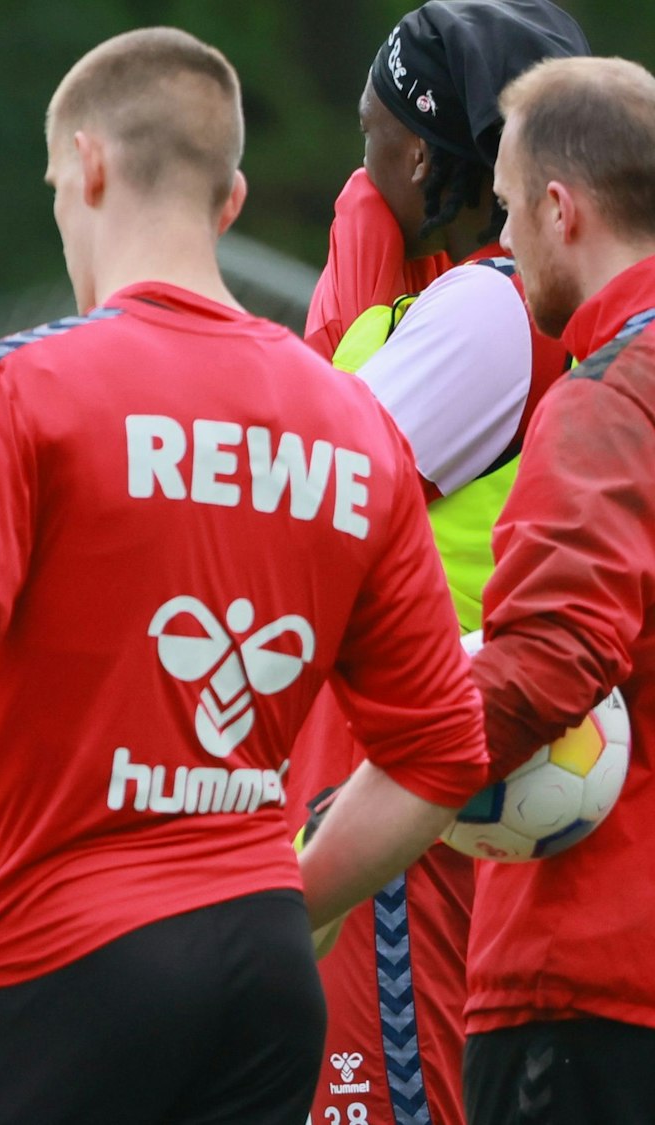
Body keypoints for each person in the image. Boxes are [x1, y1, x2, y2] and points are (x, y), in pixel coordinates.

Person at [0, 28, 489, 1125]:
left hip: (60, 958)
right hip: (261, 983)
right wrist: (280, 902)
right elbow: (439, 755)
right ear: (232, 198)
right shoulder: (349, 421)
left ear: (87, 165)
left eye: (57, 184)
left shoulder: (19, 388)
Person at [284, 6, 587, 1123]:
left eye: (370, 136)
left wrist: (347, 290)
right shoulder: (509, 305)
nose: (359, 164)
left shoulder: (483, 311)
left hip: (395, 778)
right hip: (467, 786)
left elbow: (307, 501)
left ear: (419, 151)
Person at [460, 56, 655, 1125]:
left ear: (555, 206)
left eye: (502, 211)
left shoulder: (603, 398)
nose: (500, 246)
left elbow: (547, 665)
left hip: (586, 980)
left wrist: (354, 805)